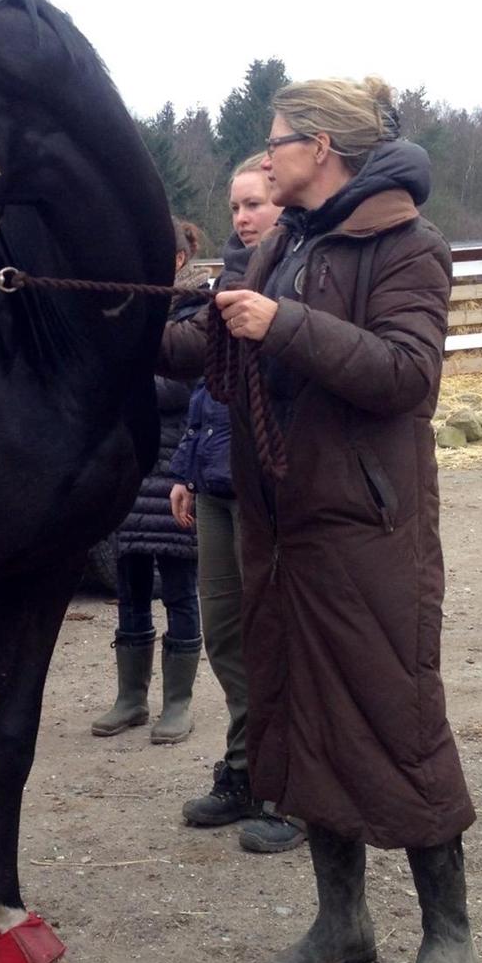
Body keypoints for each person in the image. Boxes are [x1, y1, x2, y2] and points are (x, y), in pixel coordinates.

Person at [213, 76, 478, 963]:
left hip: (369, 535)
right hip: (284, 534)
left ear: (320, 147)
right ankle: (343, 922)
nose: (267, 152)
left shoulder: (409, 247)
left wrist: (284, 324)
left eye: (276, 139)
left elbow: (408, 374)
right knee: (304, 720)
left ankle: (451, 935)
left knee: (397, 724)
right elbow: (229, 355)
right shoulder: (285, 245)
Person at [168, 156, 305, 853]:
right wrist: (187, 468)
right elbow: (203, 384)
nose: (244, 217)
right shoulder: (224, 284)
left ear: (284, 204)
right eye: (236, 206)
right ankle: (248, 770)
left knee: (280, 639)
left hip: (272, 489)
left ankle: (295, 788)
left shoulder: (296, 277)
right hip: (216, 486)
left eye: (256, 203)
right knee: (225, 635)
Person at [91, 219, 205, 743]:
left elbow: (178, 387)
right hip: (132, 471)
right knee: (130, 588)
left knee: (180, 591)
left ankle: (176, 703)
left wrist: (119, 372)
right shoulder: (135, 311)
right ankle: (130, 697)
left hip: (174, 471)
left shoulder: (199, 313)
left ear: (177, 261)